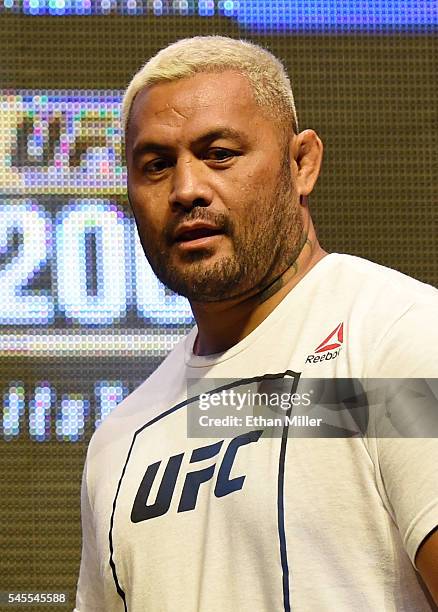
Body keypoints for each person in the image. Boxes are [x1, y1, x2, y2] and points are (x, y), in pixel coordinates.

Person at [74, 36, 438, 611]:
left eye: (219, 153)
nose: (187, 189)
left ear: (301, 164)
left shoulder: (397, 339)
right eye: (156, 165)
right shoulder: (120, 441)